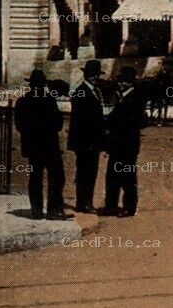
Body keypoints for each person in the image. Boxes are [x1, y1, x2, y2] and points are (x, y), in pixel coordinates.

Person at [14, 68, 69, 219]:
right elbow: (58, 124)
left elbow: (19, 125)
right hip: (50, 146)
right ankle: (53, 210)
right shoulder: (49, 100)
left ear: (30, 85)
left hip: (33, 148)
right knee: (56, 177)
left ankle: (36, 210)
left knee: (35, 177)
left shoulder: (22, 102)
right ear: (43, 85)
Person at [101, 66, 145, 217]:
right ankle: (111, 205)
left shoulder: (136, 97)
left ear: (130, 83)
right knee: (112, 176)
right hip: (117, 145)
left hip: (127, 145)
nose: (120, 84)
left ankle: (129, 207)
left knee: (127, 177)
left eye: (123, 81)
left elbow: (140, 121)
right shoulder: (122, 96)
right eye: (120, 81)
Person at [66, 59, 105, 213]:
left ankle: (86, 201)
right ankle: (83, 203)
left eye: (96, 75)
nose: (94, 78)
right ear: (86, 75)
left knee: (90, 172)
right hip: (85, 142)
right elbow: (80, 121)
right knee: (84, 173)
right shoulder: (81, 92)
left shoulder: (95, 91)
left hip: (92, 142)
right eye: (91, 75)